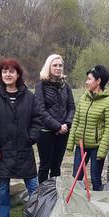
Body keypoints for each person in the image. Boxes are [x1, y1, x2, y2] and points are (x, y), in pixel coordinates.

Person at [0, 58, 42, 217]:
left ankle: (36, 213)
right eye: (4, 71)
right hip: (2, 149)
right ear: (0, 74)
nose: (8, 74)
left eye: (11, 71)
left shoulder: (28, 96)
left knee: (33, 184)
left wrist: (31, 137)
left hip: (23, 148)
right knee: (3, 185)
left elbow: (37, 119)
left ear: (18, 74)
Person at [67, 65, 109, 191]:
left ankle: (96, 206)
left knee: (95, 178)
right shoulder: (84, 97)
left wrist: (102, 151)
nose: (87, 82)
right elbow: (76, 120)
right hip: (81, 145)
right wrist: (71, 143)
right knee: (76, 178)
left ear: (98, 81)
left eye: (89, 79)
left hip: (96, 147)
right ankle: (77, 203)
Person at [34, 53, 75, 183]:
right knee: (45, 166)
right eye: (55, 65)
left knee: (56, 167)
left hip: (63, 132)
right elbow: (40, 110)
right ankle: (42, 196)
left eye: (60, 65)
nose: (58, 68)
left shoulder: (65, 86)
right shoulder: (41, 85)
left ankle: (54, 194)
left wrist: (66, 124)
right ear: (49, 67)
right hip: (46, 132)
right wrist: (57, 126)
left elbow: (71, 107)